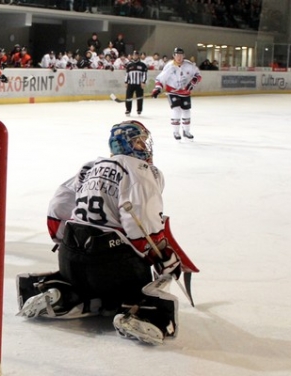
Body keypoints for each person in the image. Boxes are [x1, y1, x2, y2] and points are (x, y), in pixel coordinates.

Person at [17, 120, 182, 345]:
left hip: (69, 259)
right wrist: (162, 256)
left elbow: (58, 205)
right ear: (128, 145)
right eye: (140, 142)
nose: (144, 147)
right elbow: (142, 226)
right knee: (138, 281)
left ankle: (63, 294)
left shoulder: (90, 166)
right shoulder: (141, 171)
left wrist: (62, 238)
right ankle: (139, 312)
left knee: (89, 287)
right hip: (113, 270)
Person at [151, 47, 201, 140]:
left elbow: (198, 75)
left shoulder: (189, 65)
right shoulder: (169, 66)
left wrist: (193, 82)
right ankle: (176, 131)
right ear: (174, 56)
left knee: (186, 111)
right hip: (172, 92)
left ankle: (186, 131)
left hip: (185, 92)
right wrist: (157, 89)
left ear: (184, 56)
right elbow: (161, 79)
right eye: (177, 55)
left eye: (181, 55)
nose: (179, 57)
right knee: (176, 110)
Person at [124, 51, 148, 116]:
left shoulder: (143, 65)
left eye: (136, 55)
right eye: (134, 55)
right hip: (130, 84)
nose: (135, 56)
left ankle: (139, 110)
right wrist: (126, 82)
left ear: (138, 56)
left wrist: (143, 82)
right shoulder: (129, 65)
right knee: (128, 97)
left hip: (139, 84)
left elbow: (145, 75)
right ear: (132, 56)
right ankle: (128, 110)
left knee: (139, 98)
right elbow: (127, 74)